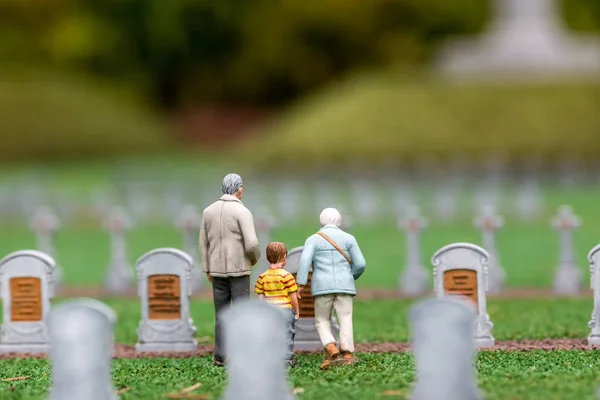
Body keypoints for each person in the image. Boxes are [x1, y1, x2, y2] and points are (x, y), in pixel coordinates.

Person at [199, 173, 261, 367]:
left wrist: (207, 267)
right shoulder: (242, 212)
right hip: (239, 268)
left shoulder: (208, 211)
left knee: (221, 314)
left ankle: (220, 355)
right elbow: (251, 243)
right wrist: (255, 258)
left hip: (216, 269)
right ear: (239, 189)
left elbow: (203, 242)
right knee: (243, 311)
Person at [296, 207, 366, 370]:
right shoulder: (349, 238)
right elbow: (361, 264)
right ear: (339, 221)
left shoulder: (313, 239)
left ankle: (330, 346)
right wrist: (350, 277)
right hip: (345, 286)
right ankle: (347, 353)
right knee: (346, 318)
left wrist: (300, 284)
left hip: (322, 286)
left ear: (322, 220)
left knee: (321, 320)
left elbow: (304, 263)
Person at [254, 242, 300, 368]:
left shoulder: (262, 277)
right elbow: (293, 296)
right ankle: (287, 359)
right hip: (285, 309)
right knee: (287, 334)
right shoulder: (287, 276)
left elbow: (260, 296)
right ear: (284, 256)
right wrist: (297, 311)